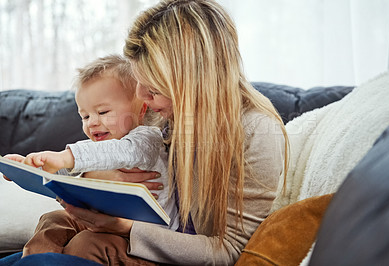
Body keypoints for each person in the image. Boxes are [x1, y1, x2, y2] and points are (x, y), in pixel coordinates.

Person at [2, 0, 289, 265]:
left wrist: (123, 226)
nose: (140, 97)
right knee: (54, 227)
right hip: (130, 225)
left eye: (152, 88)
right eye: (140, 82)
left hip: (171, 244)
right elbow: (114, 155)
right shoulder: (165, 113)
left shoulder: (255, 133)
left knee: (85, 246)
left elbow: (228, 250)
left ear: (193, 82)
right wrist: (91, 177)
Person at [7, 54, 180, 257]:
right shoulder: (96, 150)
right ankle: (33, 261)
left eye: (103, 112)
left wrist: (64, 157)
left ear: (140, 110)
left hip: (142, 239)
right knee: (53, 220)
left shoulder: (147, 139)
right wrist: (31, 167)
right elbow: (68, 172)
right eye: (85, 116)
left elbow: (116, 152)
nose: (92, 123)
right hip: (102, 224)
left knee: (87, 244)